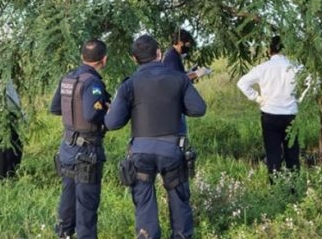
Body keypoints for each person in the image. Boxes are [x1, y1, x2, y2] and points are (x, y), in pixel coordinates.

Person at [105, 34, 206, 239]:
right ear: (159, 54)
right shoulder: (179, 79)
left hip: (141, 152)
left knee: (144, 202)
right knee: (179, 200)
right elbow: (199, 109)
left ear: (134, 58)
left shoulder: (128, 85)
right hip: (172, 150)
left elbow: (112, 123)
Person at [50, 39, 111, 239]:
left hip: (67, 148)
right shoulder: (92, 82)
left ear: (82, 56)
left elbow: (55, 108)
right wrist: (107, 111)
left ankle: (64, 234)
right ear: (104, 59)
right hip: (87, 151)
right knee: (87, 206)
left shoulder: (68, 79)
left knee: (67, 200)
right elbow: (92, 114)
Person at [237, 36, 301, 182]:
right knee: (292, 154)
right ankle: (294, 187)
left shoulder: (263, 68)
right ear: (285, 49)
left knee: (273, 154)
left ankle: (275, 188)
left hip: (270, 115)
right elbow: (313, 81)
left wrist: (257, 98)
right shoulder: (295, 66)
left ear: (269, 50)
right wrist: (300, 98)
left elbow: (242, 83)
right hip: (291, 114)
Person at [0, 78, 24, 179]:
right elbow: (10, 98)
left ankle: (6, 176)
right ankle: (6, 176)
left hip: (5, 114)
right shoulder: (3, 77)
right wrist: (22, 115)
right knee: (8, 147)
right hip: (4, 114)